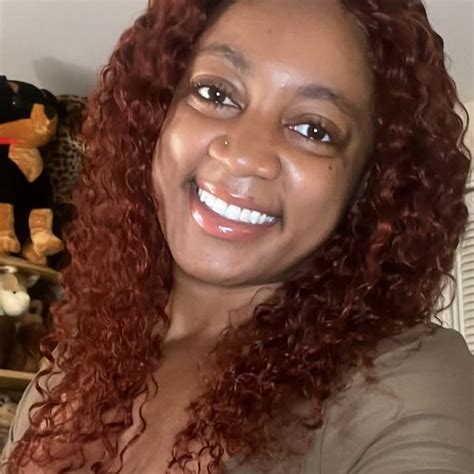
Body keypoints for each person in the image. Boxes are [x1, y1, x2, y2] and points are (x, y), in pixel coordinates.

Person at [1, 0, 473, 472]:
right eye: (215, 93)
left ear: (367, 186)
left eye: (313, 129)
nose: (245, 154)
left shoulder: (404, 382)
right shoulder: (70, 364)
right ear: (157, 116)